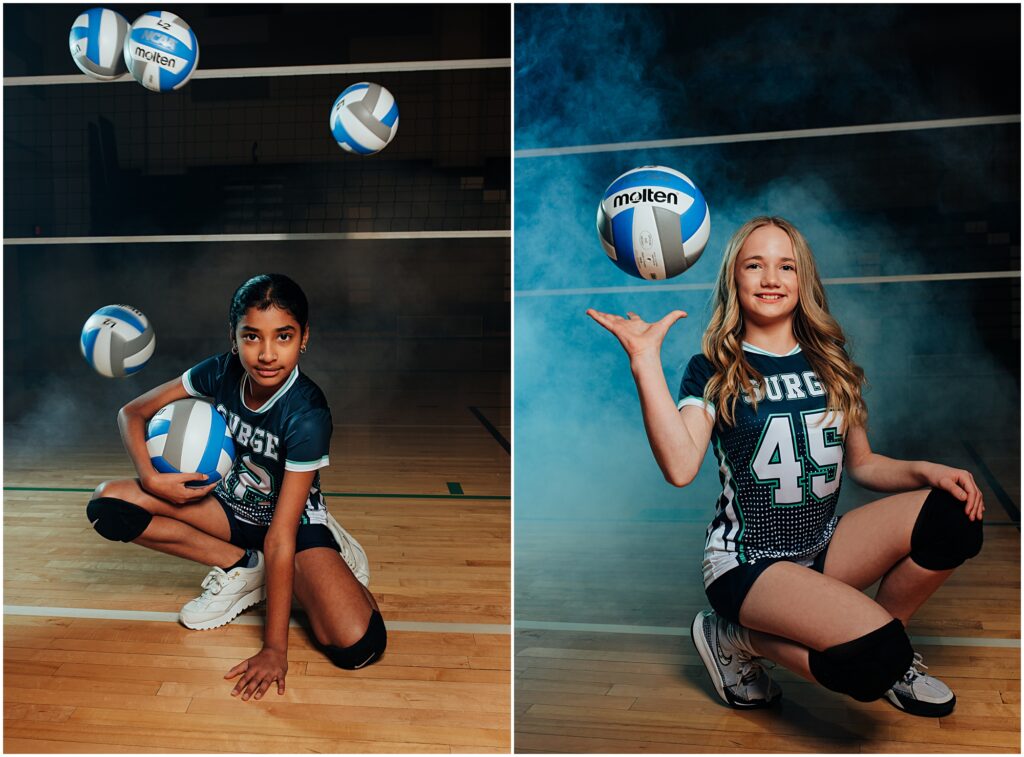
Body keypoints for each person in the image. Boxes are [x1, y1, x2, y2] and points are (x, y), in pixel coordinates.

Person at [588, 217, 984, 717]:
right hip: (749, 565)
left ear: (804, 280)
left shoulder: (829, 360)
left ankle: (890, 648)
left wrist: (927, 471)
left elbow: (863, 463)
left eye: (785, 266)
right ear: (734, 278)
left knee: (954, 515)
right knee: (868, 665)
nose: (771, 278)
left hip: (822, 547)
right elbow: (681, 466)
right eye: (754, 265)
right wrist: (645, 362)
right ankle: (734, 637)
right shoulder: (714, 368)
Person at [87, 273, 386, 701]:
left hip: (292, 525)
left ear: (303, 339)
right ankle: (244, 565)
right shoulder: (223, 370)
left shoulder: (307, 413)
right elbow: (131, 413)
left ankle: (329, 553)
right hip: (228, 508)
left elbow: (281, 536)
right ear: (234, 337)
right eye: (252, 337)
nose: (266, 354)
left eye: (283, 336)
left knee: (358, 645)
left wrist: (274, 649)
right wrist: (152, 478)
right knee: (109, 505)